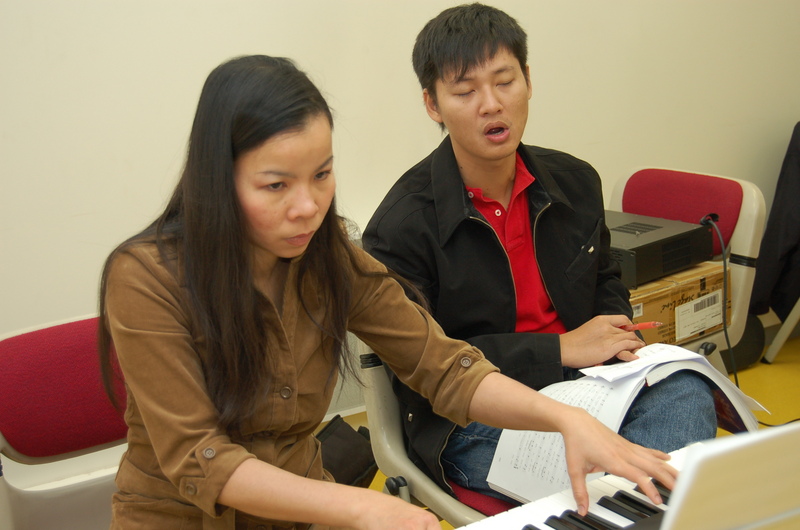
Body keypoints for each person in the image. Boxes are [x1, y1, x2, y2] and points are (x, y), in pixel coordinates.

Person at [97, 54, 677, 530]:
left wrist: (566, 420)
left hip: (304, 512)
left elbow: (444, 367)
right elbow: (200, 458)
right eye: (275, 186)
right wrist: (361, 507)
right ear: (217, 179)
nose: (308, 207)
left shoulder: (329, 256)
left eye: (322, 175)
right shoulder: (146, 278)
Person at [363, 3, 717, 510]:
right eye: (465, 91)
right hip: (474, 414)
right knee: (624, 472)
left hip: (589, 383)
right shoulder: (400, 226)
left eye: (504, 81)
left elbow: (605, 276)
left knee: (685, 388)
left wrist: (615, 333)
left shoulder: (575, 180)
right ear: (432, 104)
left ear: (528, 81)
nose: (491, 104)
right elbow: (426, 361)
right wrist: (560, 350)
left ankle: (637, 507)